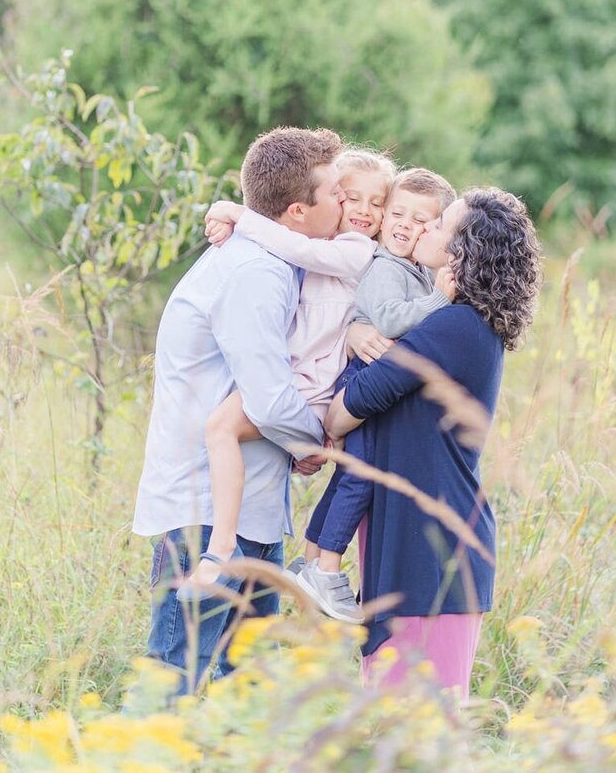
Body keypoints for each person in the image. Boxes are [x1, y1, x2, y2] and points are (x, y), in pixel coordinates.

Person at [131, 126, 345, 693]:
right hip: (206, 515)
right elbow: (270, 399)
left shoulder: (277, 257)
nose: (348, 204)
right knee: (174, 681)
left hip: (252, 509)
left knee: (245, 688)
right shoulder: (256, 273)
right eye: (338, 195)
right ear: (298, 212)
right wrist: (316, 442)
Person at [325, 187, 541, 701]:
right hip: (412, 541)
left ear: (462, 251)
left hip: (434, 556)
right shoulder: (451, 320)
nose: (424, 228)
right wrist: (358, 329)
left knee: (424, 733)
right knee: (394, 731)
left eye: (439, 222)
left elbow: (346, 409)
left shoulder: (454, 326)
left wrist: (359, 346)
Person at [178, 147, 396, 599]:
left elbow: (290, 241)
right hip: (294, 377)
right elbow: (290, 238)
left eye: (378, 203)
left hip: (310, 384)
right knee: (221, 429)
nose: (363, 211)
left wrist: (239, 214)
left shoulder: (357, 252)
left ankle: (221, 546)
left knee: (220, 427)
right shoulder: (324, 246)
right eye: (349, 197)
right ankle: (227, 545)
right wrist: (228, 221)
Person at [295, 167, 456, 620]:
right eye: (399, 213)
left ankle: (310, 557)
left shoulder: (414, 271)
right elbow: (388, 319)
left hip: (367, 377)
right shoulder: (388, 266)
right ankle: (327, 568)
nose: (405, 224)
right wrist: (439, 300)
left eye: (421, 220)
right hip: (361, 381)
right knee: (361, 476)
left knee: (351, 473)